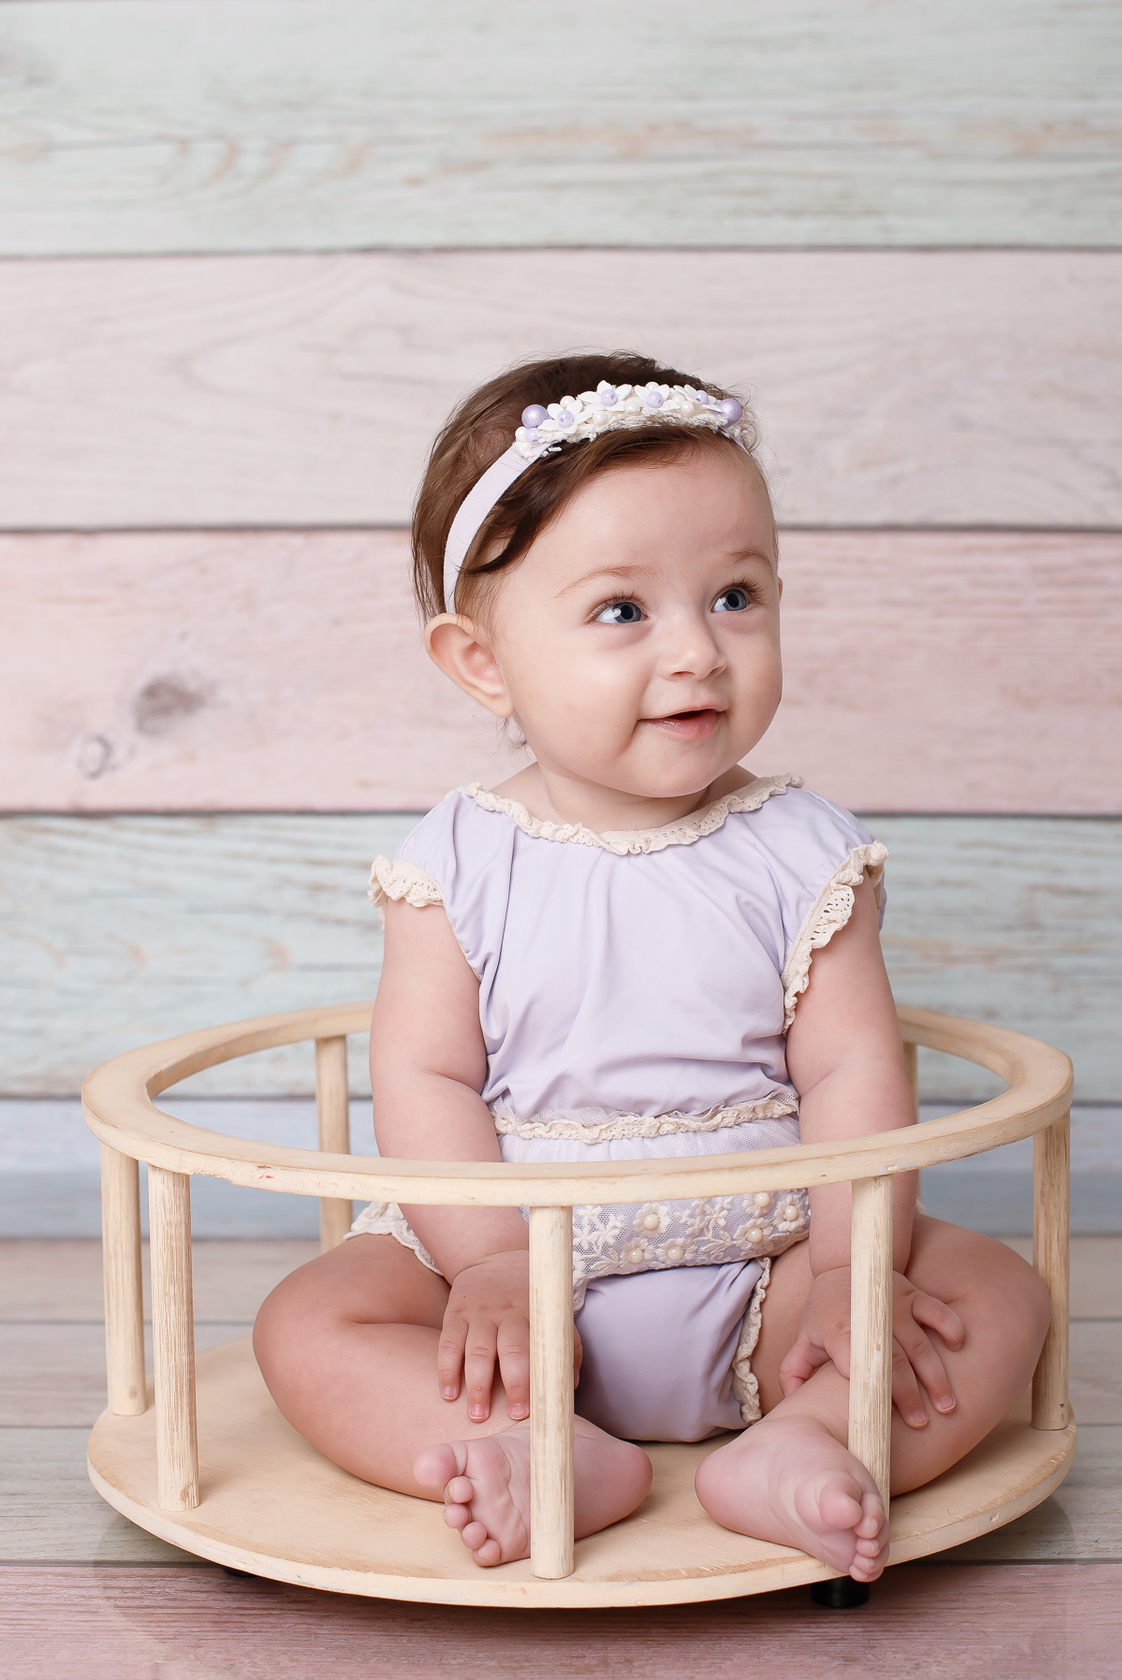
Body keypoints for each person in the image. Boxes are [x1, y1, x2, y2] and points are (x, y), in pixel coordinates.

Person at [253, 352, 1051, 1584]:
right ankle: (544, 1447)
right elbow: (425, 1079)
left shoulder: (801, 848)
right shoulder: (458, 860)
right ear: (482, 660)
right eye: (623, 611)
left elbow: (850, 1072)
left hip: (764, 1257)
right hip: (518, 1266)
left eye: (735, 596)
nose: (697, 653)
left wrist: (847, 1271)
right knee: (308, 1325)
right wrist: (488, 1262)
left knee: (994, 1293)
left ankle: (806, 1438)